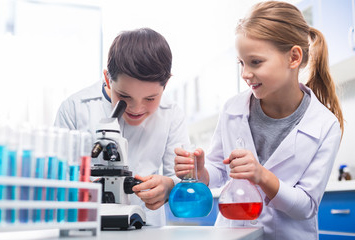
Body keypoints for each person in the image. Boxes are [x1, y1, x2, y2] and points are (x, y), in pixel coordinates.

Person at [174, 1, 343, 239]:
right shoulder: (233, 109)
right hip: (233, 233)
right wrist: (201, 172)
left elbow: (306, 206)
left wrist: (262, 176)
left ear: (293, 57)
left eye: (255, 62)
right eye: (241, 63)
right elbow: (219, 170)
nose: (244, 74)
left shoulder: (325, 125)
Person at [54, 28, 189, 226]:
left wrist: (168, 187)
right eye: (124, 97)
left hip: (148, 227)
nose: (136, 108)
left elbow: (181, 179)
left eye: (150, 98)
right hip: (86, 225)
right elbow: (57, 177)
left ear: (166, 84)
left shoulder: (171, 113)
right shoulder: (75, 108)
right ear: (108, 78)